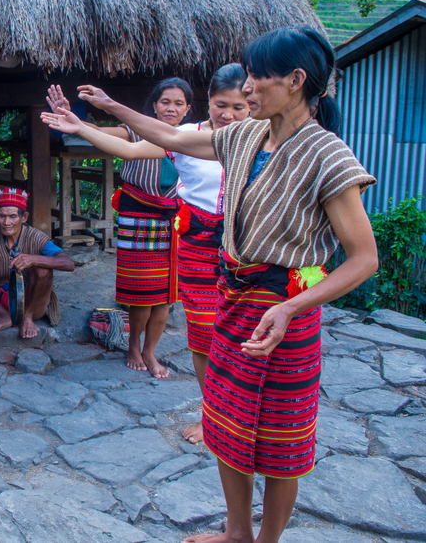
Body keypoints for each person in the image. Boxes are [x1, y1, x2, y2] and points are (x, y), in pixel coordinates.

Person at [67, 27, 378, 543]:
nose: (249, 86)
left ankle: (266, 540)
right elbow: (168, 137)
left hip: (286, 312)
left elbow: (363, 258)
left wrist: (291, 308)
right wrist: (111, 106)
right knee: (225, 421)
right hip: (236, 300)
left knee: (281, 437)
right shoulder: (245, 137)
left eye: (258, 76)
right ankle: (236, 532)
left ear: (296, 81)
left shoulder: (328, 157)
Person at [43, 64, 250, 443]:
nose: (229, 114)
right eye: (222, 105)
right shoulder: (189, 136)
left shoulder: (259, 138)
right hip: (198, 243)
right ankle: (213, 417)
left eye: (239, 107)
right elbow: (129, 146)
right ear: (209, 103)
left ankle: (243, 412)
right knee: (203, 334)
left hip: (245, 246)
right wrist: (82, 126)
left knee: (242, 335)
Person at [47, 79, 191, 377]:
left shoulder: (192, 138)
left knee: (167, 295)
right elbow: (100, 132)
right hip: (138, 216)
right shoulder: (136, 129)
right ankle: (134, 345)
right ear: (154, 105)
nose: (171, 108)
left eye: (179, 103)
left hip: (174, 219)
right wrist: (74, 120)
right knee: (143, 292)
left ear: (188, 109)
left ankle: (150, 352)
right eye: (165, 101)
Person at [0, 188, 75, 339]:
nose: (6, 222)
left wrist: (34, 259)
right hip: (0, 300)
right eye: (2, 216)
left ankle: (27, 318)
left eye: (13, 216)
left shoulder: (36, 237)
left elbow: (69, 264)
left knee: (42, 270)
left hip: (32, 303)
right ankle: (3, 315)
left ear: (24, 217)